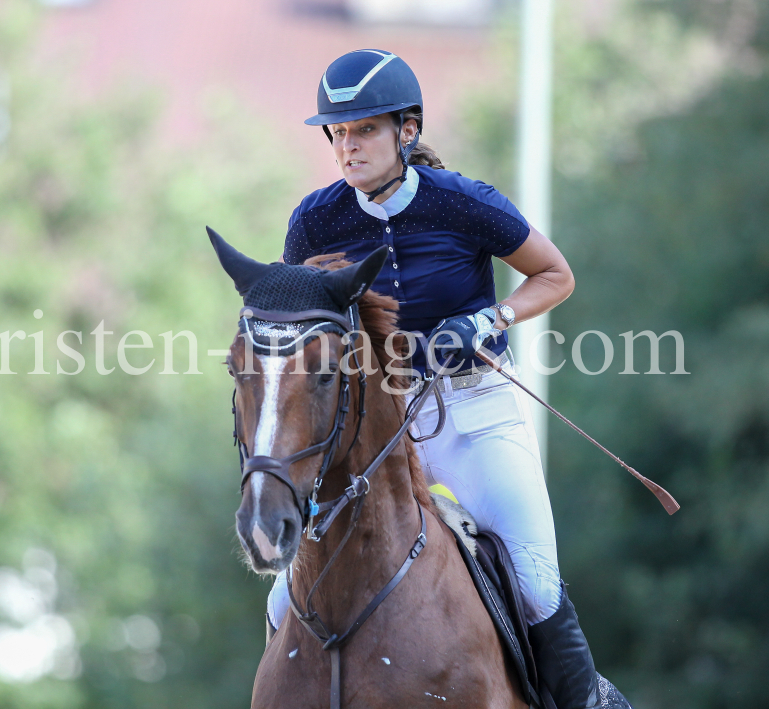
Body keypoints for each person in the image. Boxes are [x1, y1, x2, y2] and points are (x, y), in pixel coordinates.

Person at [266, 49, 629, 709]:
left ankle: (591, 702)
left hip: (474, 416)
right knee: (281, 596)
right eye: (338, 133)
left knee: (537, 584)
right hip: (377, 434)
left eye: (365, 130)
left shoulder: (465, 204)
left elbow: (556, 275)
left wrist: (492, 317)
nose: (348, 147)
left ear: (407, 130)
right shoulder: (315, 222)